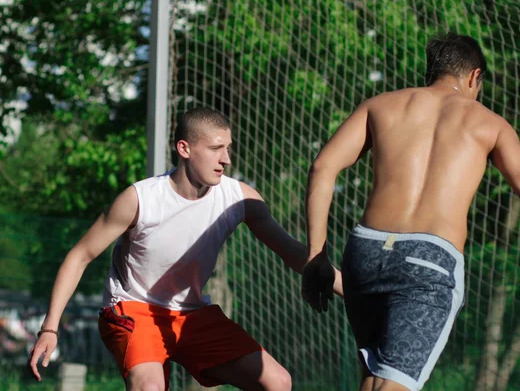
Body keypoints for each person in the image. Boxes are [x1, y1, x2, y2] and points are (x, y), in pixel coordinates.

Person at [301, 33, 520, 391]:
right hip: (429, 261)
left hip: (365, 253)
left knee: (375, 380)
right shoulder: (488, 122)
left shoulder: (380, 105)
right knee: (393, 386)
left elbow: (323, 167)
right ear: (473, 77)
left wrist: (316, 255)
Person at [29, 107, 342, 391]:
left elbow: (291, 250)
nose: (227, 159)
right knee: (150, 388)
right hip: (136, 310)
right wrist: (50, 328)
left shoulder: (239, 198)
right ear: (185, 149)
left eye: (228, 149)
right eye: (216, 149)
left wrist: (356, 290)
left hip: (192, 315)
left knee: (277, 382)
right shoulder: (141, 199)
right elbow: (79, 256)